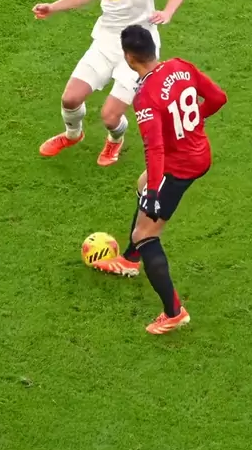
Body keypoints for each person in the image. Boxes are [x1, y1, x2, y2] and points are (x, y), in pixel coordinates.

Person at [94, 24, 228, 334]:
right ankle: (130, 260)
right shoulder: (181, 66)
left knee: (146, 234)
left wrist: (155, 192)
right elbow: (218, 98)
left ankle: (174, 312)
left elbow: (155, 149)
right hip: (199, 153)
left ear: (129, 58)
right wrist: (192, 123)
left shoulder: (145, 96)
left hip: (178, 166)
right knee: (141, 185)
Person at [32, 0, 189, 167]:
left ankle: (115, 139)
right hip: (106, 40)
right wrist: (52, 7)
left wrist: (168, 12)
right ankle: (73, 135)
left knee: (110, 117)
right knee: (70, 99)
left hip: (138, 46)